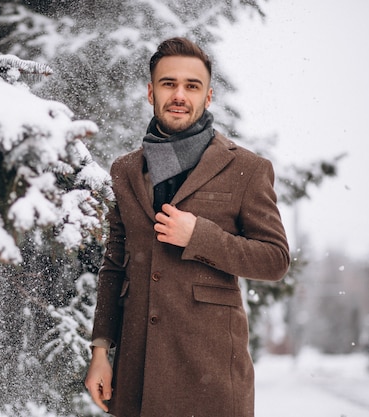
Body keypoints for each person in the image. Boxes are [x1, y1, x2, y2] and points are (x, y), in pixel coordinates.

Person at [84, 37, 290, 417]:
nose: (179, 95)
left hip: (210, 375)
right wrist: (101, 350)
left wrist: (200, 237)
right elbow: (114, 266)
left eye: (191, 86)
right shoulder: (125, 171)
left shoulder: (247, 169)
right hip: (137, 372)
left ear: (208, 96)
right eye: (168, 83)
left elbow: (275, 259)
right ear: (151, 91)